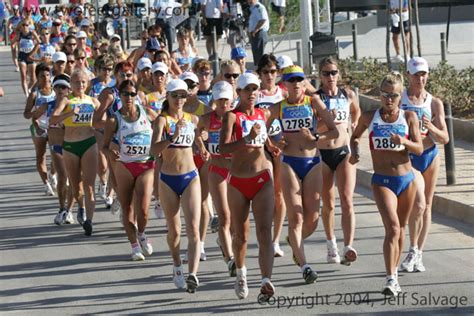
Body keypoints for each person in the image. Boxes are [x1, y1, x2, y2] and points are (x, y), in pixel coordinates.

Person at [349, 71, 423, 296]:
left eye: (393, 96)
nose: (389, 100)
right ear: (379, 95)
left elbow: (419, 148)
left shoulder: (409, 117)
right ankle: (390, 277)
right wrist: (355, 152)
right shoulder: (370, 117)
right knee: (391, 228)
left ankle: (395, 275)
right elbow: (354, 136)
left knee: (400, 231)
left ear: (401, 96)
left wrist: (404, 141)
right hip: (382, 180)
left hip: (406, 180)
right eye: (384, 95)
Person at [266, 65, 338, 284]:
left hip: (313, 162)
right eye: (291, 80)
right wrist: (274, 143)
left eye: (299, 80)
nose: (296, 84)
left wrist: (315, 138)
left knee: (313, 219)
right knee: (295, 215)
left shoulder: (313, 102)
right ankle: (305, 266)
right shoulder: (278, 107)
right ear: (285, 84)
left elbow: (334, 132)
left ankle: (293, 240)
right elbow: (261, 128)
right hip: (289, 162)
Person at [219, 72, 279, 301]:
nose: (252, 94)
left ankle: (265, 280)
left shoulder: (262, 114)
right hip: (238, 181)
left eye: (255, 89)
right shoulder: (231, 117)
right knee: (241, 235)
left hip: (263, 178)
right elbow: (224, 148)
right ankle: (242, 273)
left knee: (265, 231)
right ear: (239, 93)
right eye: (247, 90)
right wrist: (245, 139)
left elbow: (262, 138)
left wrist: (272, 146)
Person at [151, 79, 202, 293]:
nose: (180, 100)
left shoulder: (192, 118)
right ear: (168, 97)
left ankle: (193, 274)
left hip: (190, 177)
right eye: (175, 96)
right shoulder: (162, 120)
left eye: (183, 95)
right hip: (168, 179)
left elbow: (199, 138)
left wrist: (202, 144)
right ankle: (177, 265)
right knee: (174, 231)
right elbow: (154, 150)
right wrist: (172, 137)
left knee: (194, 228)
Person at [399, 57, 449, 273]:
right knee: (418, 205)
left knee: (427, 205)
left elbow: (444, 137)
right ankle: (411, 249)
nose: (420, 78)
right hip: (410, 157)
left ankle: (418, 252)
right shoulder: (400, 99)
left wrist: (431, 127)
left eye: (424, 74)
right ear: (408, 75)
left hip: (430, 155)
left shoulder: (434, 102)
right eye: (416, 74)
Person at [315, 57, 361, 265]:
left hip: (344, 152)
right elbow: (313, 131)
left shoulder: (348, 94)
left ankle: (348, 246)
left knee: (347, 200)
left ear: (339, 74)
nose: (330, 77)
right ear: (320, 76)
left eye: (333, 73)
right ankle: (331, 242)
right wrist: (328, 123)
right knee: (328, 204)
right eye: (326, 73)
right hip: (323, 154)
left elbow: (356, 112)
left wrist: (354, 130)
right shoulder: (316, 98)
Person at [103, 79, 155, 261]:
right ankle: (134, 246)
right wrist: (111, 150)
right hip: (124, 165)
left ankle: (141, 232)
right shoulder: (113, 120)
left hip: (146, 164)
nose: (130, 97)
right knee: (127, 208)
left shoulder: (148, 113)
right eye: (126, 94)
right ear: (120, 95)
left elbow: (163, 129)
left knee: (144, 209)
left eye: (133, 94)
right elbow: (104, 146)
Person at [50, 69, 101, 236]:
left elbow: (103, 120)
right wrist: (71, 113)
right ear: (71, 85)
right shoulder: (66, 100)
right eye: (77, 82)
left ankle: (89, 221)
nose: (80, 85)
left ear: (87, 84)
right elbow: (53, 119)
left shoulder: (93, 101)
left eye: (83, 82)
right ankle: (81, 207)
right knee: (76, 185)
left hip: (89, 144)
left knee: (89, 185)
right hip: (70, 146)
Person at [196, 80, 235, 275]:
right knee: (225, 216)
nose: (223, 104)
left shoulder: (236, 117)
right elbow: (197, 132)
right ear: (214, 100)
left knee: (235, 220)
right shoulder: (207, 118)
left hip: (235, 171)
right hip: (217, 169)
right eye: (219, 100)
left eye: (226, 100)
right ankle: (230, 260)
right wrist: (202, 147)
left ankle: (224, 241)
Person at [33, 74, 76, 225]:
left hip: (72, 146)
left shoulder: (73, 105)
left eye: (63, 87)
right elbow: (33, 117)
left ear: (69, 89)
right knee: (63, 177)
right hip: (56, 146)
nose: (60, 89)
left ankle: (69, 210)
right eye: (57, 86)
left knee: (72, 180)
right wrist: (39, 128)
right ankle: (62, 208)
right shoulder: (49, 105)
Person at [255, 53, 286, 258]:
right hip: (261, 147)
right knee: (265, 192)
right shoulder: (254, 94)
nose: (269, 75)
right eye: (265, 72)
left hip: (281, 143)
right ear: (259, 74)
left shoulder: (283, 92)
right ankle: (264, 237)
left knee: (279, 194)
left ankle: (275, 240)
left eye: (273, 71)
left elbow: (309, 93)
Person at [23, 63, 57, 196]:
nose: (46, 78)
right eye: (42, 76)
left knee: (57, 155)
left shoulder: (55, 91)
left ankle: (53, 173)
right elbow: (25, 114)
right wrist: (35, 113)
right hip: (38, 127)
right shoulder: (34, 94)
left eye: (48, 75)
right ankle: (46, 184)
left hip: (54, 127)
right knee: (40, 156)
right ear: (37, 77)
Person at [12, 20, 40, 96]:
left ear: (29, 26)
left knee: (33, 79)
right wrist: (14, 49)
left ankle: (29, 89)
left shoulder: (32, 33)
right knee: (23, 76)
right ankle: (26, 95)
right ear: (21, 26)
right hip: (22, 56)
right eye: (23, 25)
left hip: (31, 56)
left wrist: (34, 51)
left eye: (26, 25)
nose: (25, 27)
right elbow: (12, 43)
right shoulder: (19, 35)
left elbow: (39, 43)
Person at [247, 0, 269, 66]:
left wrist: (255, 30)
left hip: (259, 34)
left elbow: (263, 19)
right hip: (256, 34)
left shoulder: (258, 7)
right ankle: (259, 72)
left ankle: (261, 73)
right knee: (257, 57)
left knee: (259, 58)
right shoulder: (252, 8)